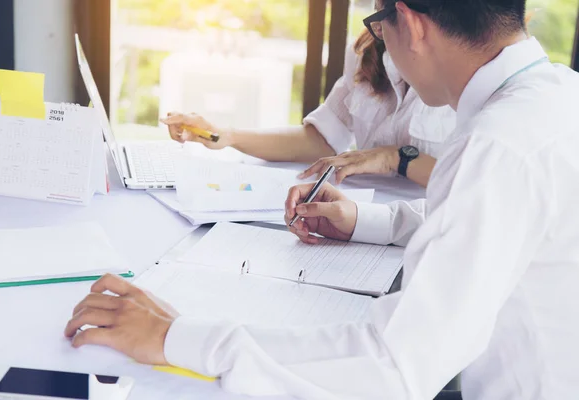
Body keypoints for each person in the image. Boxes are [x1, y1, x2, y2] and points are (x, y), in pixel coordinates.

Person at [65, 1, 579, 399]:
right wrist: (363, 222)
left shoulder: (494, 145)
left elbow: (393, 365)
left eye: (380, 23)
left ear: (412, 24)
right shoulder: (558, 96)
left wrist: (178, 337)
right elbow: (493, 224)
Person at [160, 30, 455, 187]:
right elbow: (320, 140)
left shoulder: (464, 64)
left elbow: (477, 181)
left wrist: (393, 158)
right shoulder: (367, 52)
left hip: (426, 231)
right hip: (358, 218)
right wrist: (228, 136)